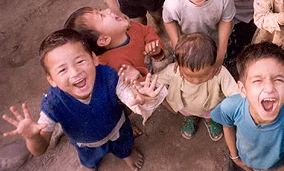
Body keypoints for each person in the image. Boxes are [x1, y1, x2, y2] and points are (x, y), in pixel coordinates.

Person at [2, 29, 166, 171]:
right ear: (51, 79)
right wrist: (32, 137)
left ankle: (126, 154)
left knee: (124, 146)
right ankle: (90, 164)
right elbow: (40, 149)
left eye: (80, 61)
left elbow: (132, 99)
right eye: (62, 69)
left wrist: (142, 97)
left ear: (94, 59)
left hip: (118, 128)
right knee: (88, 159)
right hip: (86, 144)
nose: (75, 73)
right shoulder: (52, 104)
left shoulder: (107, 75)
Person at [211, 42, 284, 171]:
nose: (269, 88)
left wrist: (282, 169)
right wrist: (235, 157)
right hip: (241, 161)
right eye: (257, 80)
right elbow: (227, 125)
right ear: (242, 89)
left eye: (278, 80)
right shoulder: (230, 106)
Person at [157, 32, 238, 141]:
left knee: (210, 114)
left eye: (203, 76)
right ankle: (190, 118)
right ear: (179, 66)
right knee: (188, 113)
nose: (196, 81)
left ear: (214, 65)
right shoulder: (174, 70)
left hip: (210, 107)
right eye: (189, 76)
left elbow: (234, 93)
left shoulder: (219, 72)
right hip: (185, 106)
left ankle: (210, 120)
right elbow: (157, 80)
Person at [64, 6, 166, 76]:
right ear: (104, 39)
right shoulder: (114, 65)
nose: (108, 10)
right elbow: (136, 87)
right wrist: (139, 77)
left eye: (100, 10)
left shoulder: (130, 27)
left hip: (150, 65)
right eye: (102, 16)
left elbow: (148, 30)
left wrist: (153, 44)